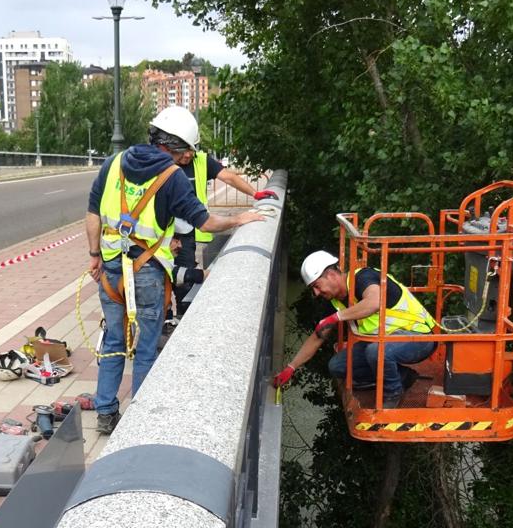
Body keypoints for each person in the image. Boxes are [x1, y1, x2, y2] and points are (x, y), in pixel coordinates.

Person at [85, 110, 266, 434]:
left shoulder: (113, 163)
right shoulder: (173, 178)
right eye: (186, 152)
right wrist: (239, 220)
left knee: (113, 338)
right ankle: (139, 423)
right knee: (147, 344)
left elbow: (93, 215)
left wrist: (94, 255)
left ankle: (106, 412)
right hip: (147, 270)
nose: (188, 158)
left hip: (111, 267)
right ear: (173, 146)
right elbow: (206, 222)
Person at [273, 250, 436, 408]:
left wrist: (337, 317)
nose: (315, 293)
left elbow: (373, 302)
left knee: (375, 352)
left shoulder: (363, 277)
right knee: (338, 366)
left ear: (331, 275)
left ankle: (393, 393)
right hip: (384, 341)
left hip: (419, 338)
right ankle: (403, 377)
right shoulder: (336, 301)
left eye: (316, 285)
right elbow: (319, 336)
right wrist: (291, 367)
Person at [165, 109, 278, 318]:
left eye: (192, 148)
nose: (189, 154)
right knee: (160, 277)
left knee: (183, 280)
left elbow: (229, 177)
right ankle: (164, 317)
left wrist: (255, 193)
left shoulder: (201, 161)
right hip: (161, 232)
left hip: (187, 231)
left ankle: (182, 315)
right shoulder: (162, 163)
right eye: (185, 149)